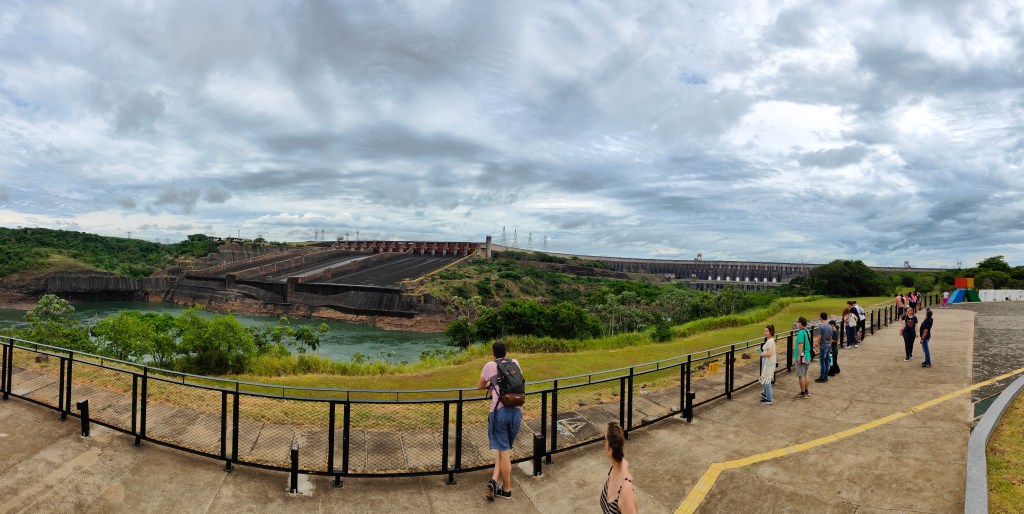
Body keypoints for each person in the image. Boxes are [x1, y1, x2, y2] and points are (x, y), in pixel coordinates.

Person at [477, 341, 523, 501]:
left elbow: (479, 385)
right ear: (506, 352)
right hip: (517, 410)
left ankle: (507, 490)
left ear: (493, 353)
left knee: (504, 451)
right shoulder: (515, 362)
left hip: (500, 412)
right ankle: (493, 480)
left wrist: (491, 383)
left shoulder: (490, 365)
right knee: (504, 449)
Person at [600, 422, 637, 514]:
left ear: (610, 450)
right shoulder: (613, 469)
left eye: (605, 440)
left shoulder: (625, 490)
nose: (604, 443)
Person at [758, 325, 777, 405]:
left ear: (771, 332)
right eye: (764, 331)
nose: (765, 332)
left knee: (767, 380)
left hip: (767, 362)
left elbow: (769, 353)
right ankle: (765, 394)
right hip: (768, 362)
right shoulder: (770, 340)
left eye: (767, 331)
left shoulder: (770, 341)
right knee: (766, 378)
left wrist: (762, 354)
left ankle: (769, 399)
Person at [794, 317, 811, 399]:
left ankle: (803, 392)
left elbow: (800, 345)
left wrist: (798, 357)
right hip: (807, 355)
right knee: (805, 374)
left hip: (802, 356)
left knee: (801, 375)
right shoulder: (807, 331)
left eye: (798, 322)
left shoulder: (801, 333)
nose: (797, 324)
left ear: (800, 323)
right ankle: (806, 391)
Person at [814, 312, 833, 383]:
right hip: (828, 345)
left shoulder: (821, 327)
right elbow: (831, 337)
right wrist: (830, 344)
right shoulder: (830, 326)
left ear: (821, 318)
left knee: (822, 362)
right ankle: (826, 376)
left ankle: (823, 377)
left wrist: (817, 346)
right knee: (827, 361)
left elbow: (819, 337)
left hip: (823, 346)